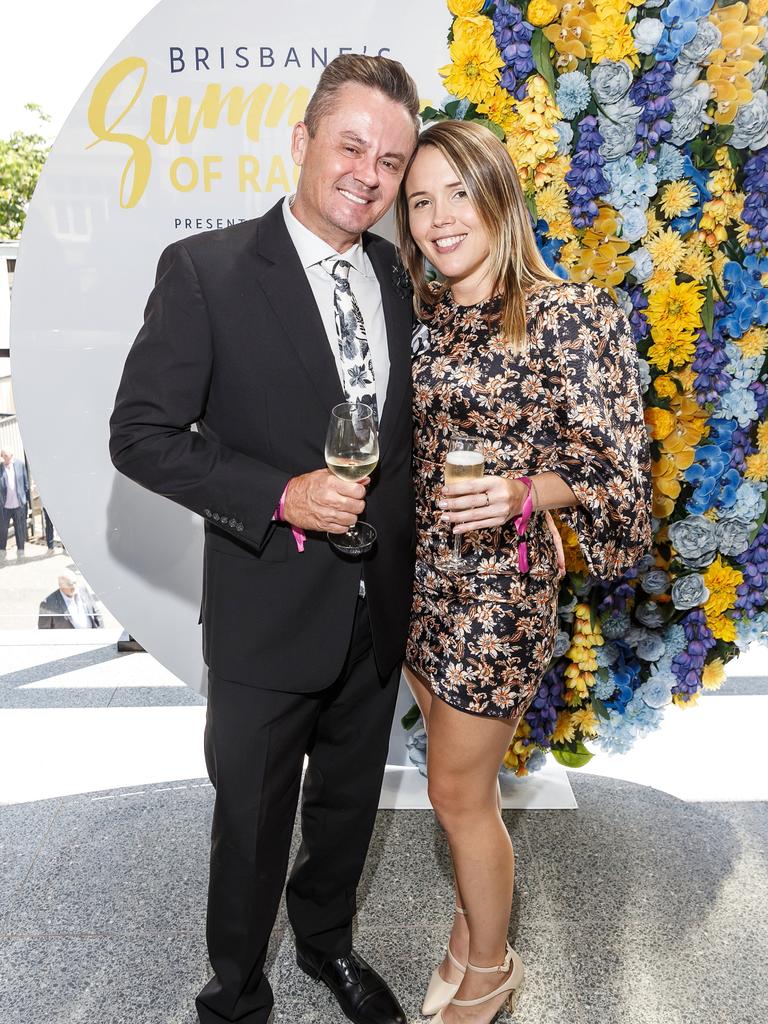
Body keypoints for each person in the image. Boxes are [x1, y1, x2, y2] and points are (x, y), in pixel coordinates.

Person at [109, 54, 420, 1024]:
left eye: (393, 159)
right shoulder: (206, 272)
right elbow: (140, 435)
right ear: (302, 142)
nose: (370, 173)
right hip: (264, 608)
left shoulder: (396, 275)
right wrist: (281, 493)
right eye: (353, 145)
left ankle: (325, 944)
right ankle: (236, 991)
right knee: (249, 825)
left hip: (377, 611)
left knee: (345, 812)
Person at [394, 120, 652, 1024]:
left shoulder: (572, 314)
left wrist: (522, 491)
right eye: (420, 200)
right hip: (418, 583)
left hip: (499, 590)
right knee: (448, 777)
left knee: (456, 793)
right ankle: (468, 932)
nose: (438, 217)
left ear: (500, 194)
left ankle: (494, 969)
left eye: (457, 192)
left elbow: (620, 473)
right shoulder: (423, 321)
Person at [38, 572, 103, 629]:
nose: (74, 587)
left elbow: (96, 612)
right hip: (68, 641)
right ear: (60, 585)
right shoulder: (48, 604)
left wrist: (101, 633)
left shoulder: (83, 591)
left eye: (75, 583)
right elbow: (44, 630)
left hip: (92, 638)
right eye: (69, 584)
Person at [0, 448, 29, 559]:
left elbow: (26, 484)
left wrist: (24, 500)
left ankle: (21, 552)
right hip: (4, 507)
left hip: (18, 505)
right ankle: (2, 552)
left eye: (7, 456)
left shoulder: (20, 464)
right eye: (3, 456)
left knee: (20, 529)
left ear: (12, 455)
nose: (5, 458)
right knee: (2, 530)